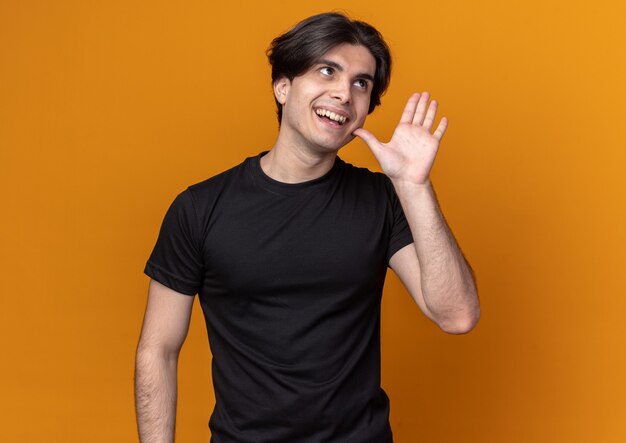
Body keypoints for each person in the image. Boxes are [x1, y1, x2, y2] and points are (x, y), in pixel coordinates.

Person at [135, 11, 479, 443]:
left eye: (361, 83)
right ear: (283, 86)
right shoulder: (199, 208)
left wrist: (414, 187)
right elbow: (158, 351)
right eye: (327, 71)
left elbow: (457, 315)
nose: (343, 93)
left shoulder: (382, 200)